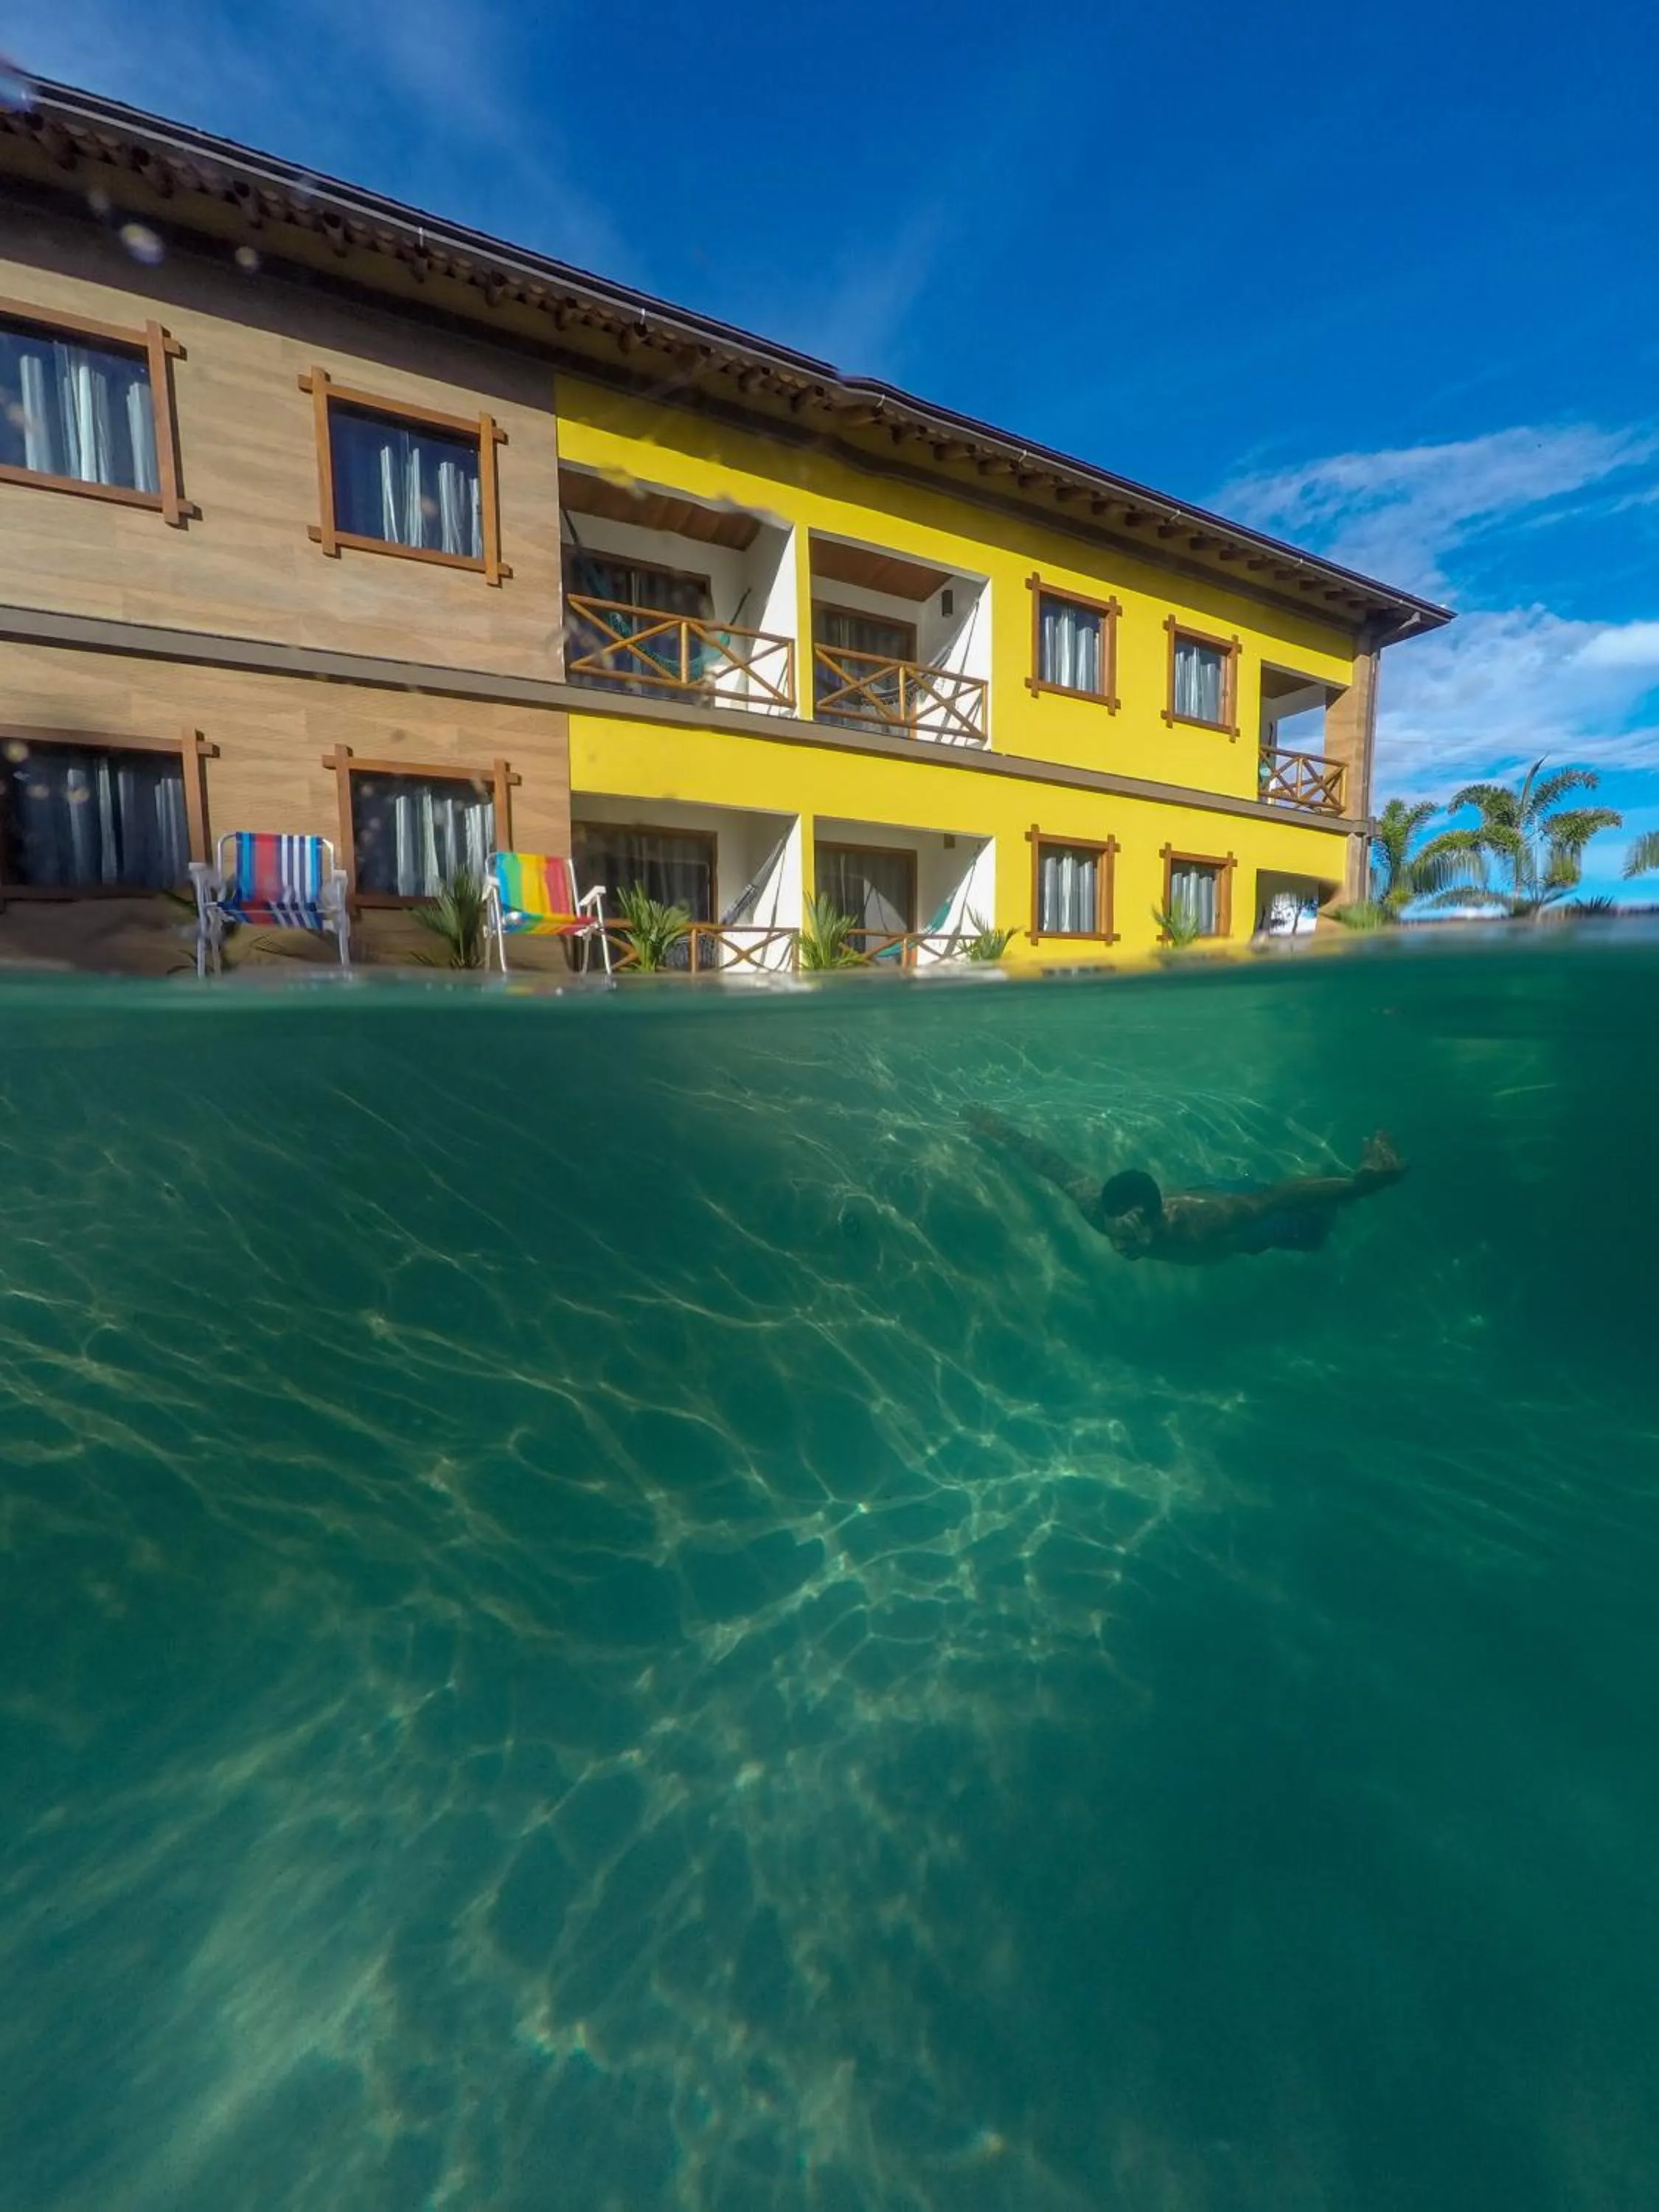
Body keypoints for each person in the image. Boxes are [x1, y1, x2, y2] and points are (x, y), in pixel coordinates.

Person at [967, 1109, 1405, 1265]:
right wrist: (999, 1131)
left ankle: (1336, 1179)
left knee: (1317, 1230)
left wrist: (1357, 1188)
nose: (1119, 1241)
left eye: (1130, 1231)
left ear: (1156, 1217)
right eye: (1116, 1227)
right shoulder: (1098, 1211)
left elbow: (1276, 1198)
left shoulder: (1204, 1225)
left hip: (1241, 1223)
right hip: (1205, 1190)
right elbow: (1054, 1166)